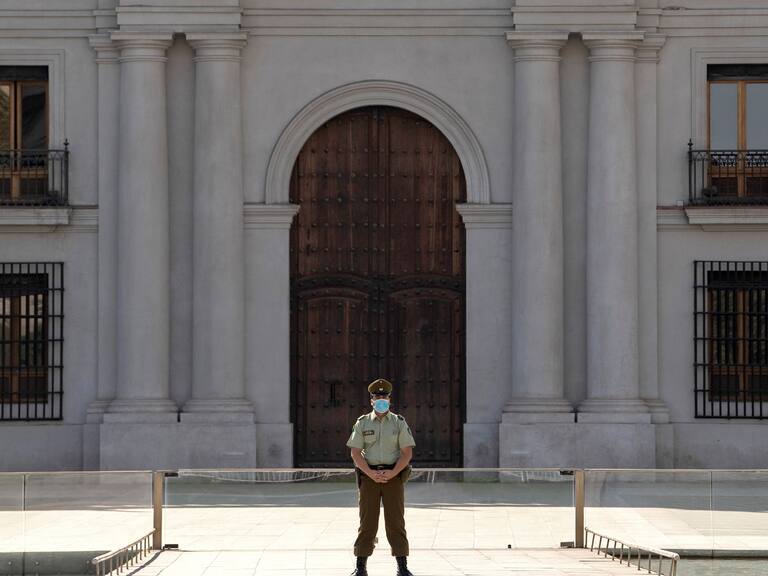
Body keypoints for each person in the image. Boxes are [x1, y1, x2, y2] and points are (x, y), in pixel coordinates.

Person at [346, 378, 416, 576]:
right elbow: (355, 453)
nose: (381, 400)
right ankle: (361, 567)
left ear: (389, 399)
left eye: (384, 397)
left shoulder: (399, 422)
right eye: (377, 397)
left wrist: (393, 473)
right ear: (371, 401)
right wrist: (371, 473)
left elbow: (407, 452)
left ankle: (402, 567)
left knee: (396, 521)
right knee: (367, 522)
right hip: (369, 477)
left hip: (393, 476)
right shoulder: (362, 422)